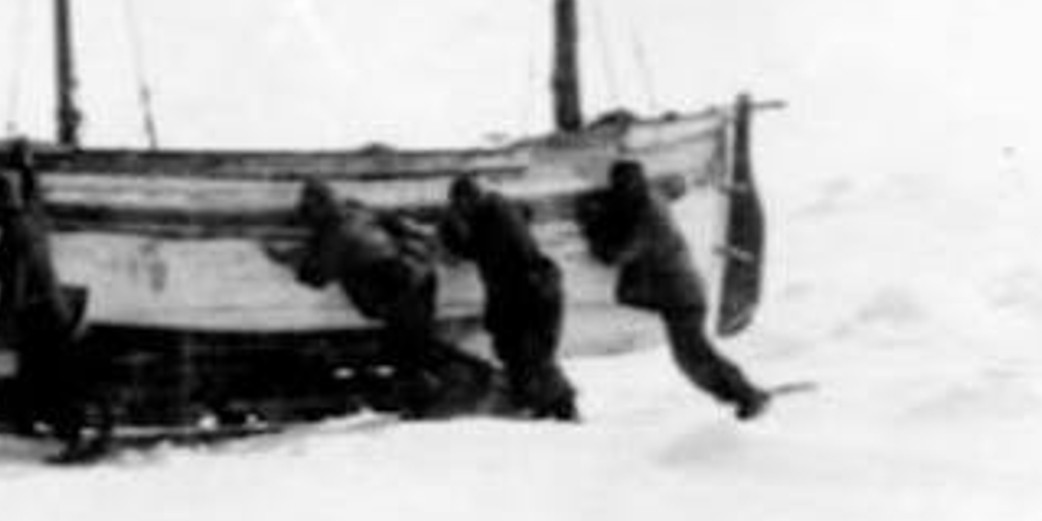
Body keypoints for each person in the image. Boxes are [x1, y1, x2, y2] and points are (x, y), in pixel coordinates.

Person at [577, 159, 772, 418]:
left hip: (681, 298)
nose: (620, 192)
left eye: (621, 187)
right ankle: (741, 395)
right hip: (680, 293)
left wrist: (591, 225)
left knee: (695, 357)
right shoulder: (649, 198)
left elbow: (613, 254)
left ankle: (746, 395)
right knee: (691, 358)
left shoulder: (646, 217)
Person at [278, 180, 474, 416]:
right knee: (419, 346)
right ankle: (453, 390)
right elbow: (396, 223)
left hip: (396, 292)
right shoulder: (358, 211)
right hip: (419, 276)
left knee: (406, 355)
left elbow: (316, 277)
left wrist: (287, 261)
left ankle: (435, 404)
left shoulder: (336, 235)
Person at [0, 168, 94, 451]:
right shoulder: (30, 220)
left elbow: (10, 295)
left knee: (45, 379)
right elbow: (36, 197)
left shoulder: (13, 237)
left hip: (43, 319)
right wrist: (26, 168)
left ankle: (67, 437)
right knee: (31, 375)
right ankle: (19, 420)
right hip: (56, 311)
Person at [439, 174, 578, 421]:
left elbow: (480, 252)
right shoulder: (496, 210)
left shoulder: (497, 220)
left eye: (460, 205)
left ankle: (563, 404)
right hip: (529, 291)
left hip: (532, 294)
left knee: (532, 354)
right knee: (518, 353)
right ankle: (542, 404)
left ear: (469, 200)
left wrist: (452, 232)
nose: (460, 210)